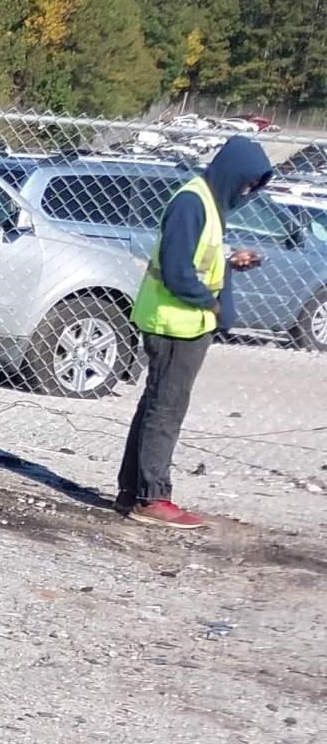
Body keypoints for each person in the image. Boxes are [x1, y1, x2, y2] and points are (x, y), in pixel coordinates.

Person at [116, 134, 274, 527]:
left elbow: (195, 258)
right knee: (165, 409)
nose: (247, 192)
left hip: (183, 320)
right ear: (233, 173)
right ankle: (151, 498)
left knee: (156, 406)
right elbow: (177, 271)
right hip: (175, 322)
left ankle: (132, 490)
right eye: (247, 183)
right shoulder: (193, 202)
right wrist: (211, 303)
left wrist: (228, 262)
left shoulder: (207, 201)